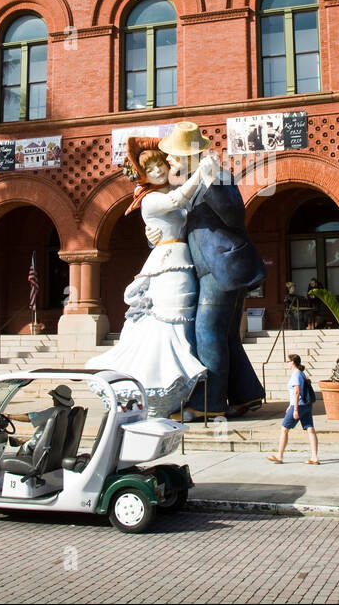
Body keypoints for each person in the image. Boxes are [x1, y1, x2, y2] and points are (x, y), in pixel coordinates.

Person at [87, 136, 212, 416]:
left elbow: (184, 204)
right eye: (150, 169)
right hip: (167, 265)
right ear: (142, 175)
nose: (157, 171)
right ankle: (162, 388)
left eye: (159, 164)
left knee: (182, 321)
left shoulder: (171, 189)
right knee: (170, 320)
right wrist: (201, 172)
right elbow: (177, 200)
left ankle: (182, 393)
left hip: (183, 259)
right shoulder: (151, 200)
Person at [166, 122, 266, 420]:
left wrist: (210, 181)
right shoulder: (193, 184)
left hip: (220, 270)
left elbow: (235, 215)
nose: (169, 161)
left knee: (207, 332)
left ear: (188, 156)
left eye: (173, 155)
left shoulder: (216, 177)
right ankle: (244, 395)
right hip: (215, 270)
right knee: (225, 335)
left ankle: (206, 404)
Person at [268, 354, 319, 465]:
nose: (287, 363)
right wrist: (290, 405)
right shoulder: (301, 373)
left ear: (293, 362)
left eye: (288, 361)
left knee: (284, 429)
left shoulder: (296, 375)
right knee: (310, 429)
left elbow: (297, 392)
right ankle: (315, 457)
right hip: (306, 405)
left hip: (299, 406)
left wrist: (295, 409)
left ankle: (279, 456)